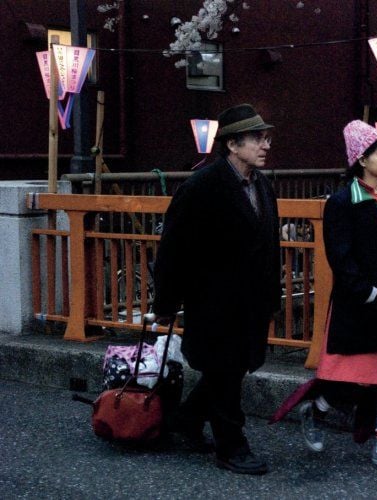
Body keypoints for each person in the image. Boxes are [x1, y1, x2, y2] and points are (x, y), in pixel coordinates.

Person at [270, 120, 377, 468]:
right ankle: (316, 409)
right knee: (353, 376)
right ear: (361, 159)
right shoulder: (342, 202)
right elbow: (340, 257)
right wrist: (368, 292)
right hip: (361, 303)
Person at [152, 103, 281, 475]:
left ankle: (188, 420)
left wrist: (271, 296)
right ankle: (232, 447)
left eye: (265, 137)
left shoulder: (261, 184)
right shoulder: (201, 187)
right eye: (257, 138)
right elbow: (174, 249)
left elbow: (269, 244)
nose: (265, 144)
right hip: (213, 302)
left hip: (251, 301)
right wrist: (166, 302)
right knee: (225, 372)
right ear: (232, 144)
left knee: (232, 369)